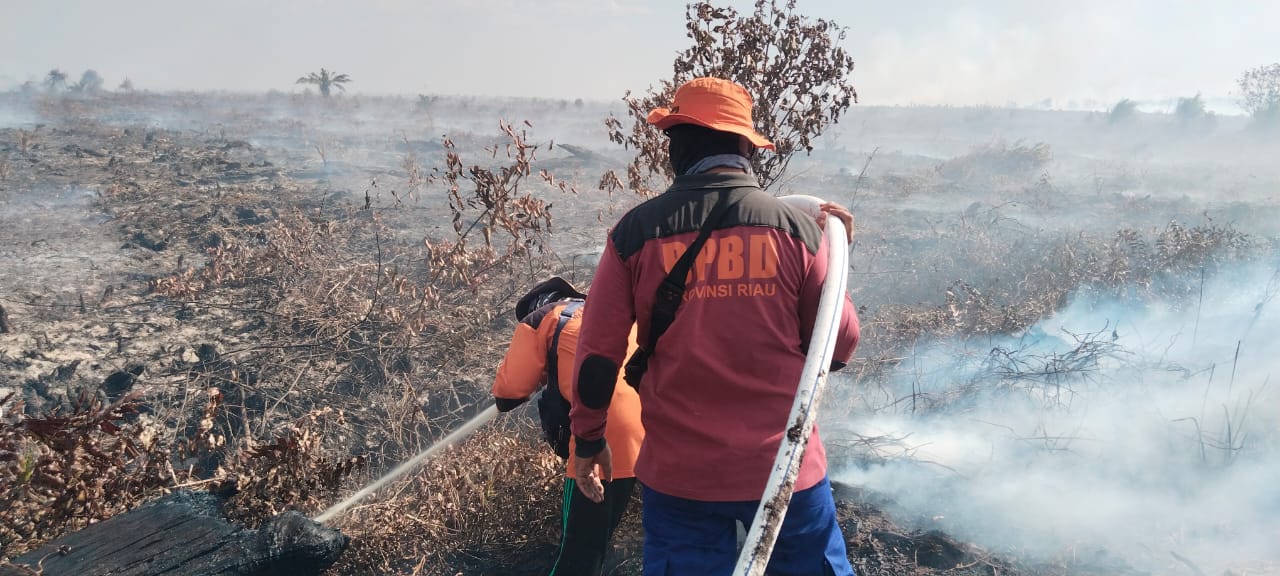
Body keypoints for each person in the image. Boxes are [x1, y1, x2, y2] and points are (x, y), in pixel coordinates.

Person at [568, 77, 860, 576]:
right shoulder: (800, 232)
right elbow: (839, 347)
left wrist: (589, 440)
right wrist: (832, 255)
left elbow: (597, 357)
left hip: (684, 482)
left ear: (676, 145)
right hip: (786, 474)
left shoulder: (635, 233)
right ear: (747, 146)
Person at [491, 276, 645, 576]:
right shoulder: (608, 311)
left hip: (602, 440)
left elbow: (508, 394)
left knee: (577, 556)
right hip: (653, 434)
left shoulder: (541, 320)